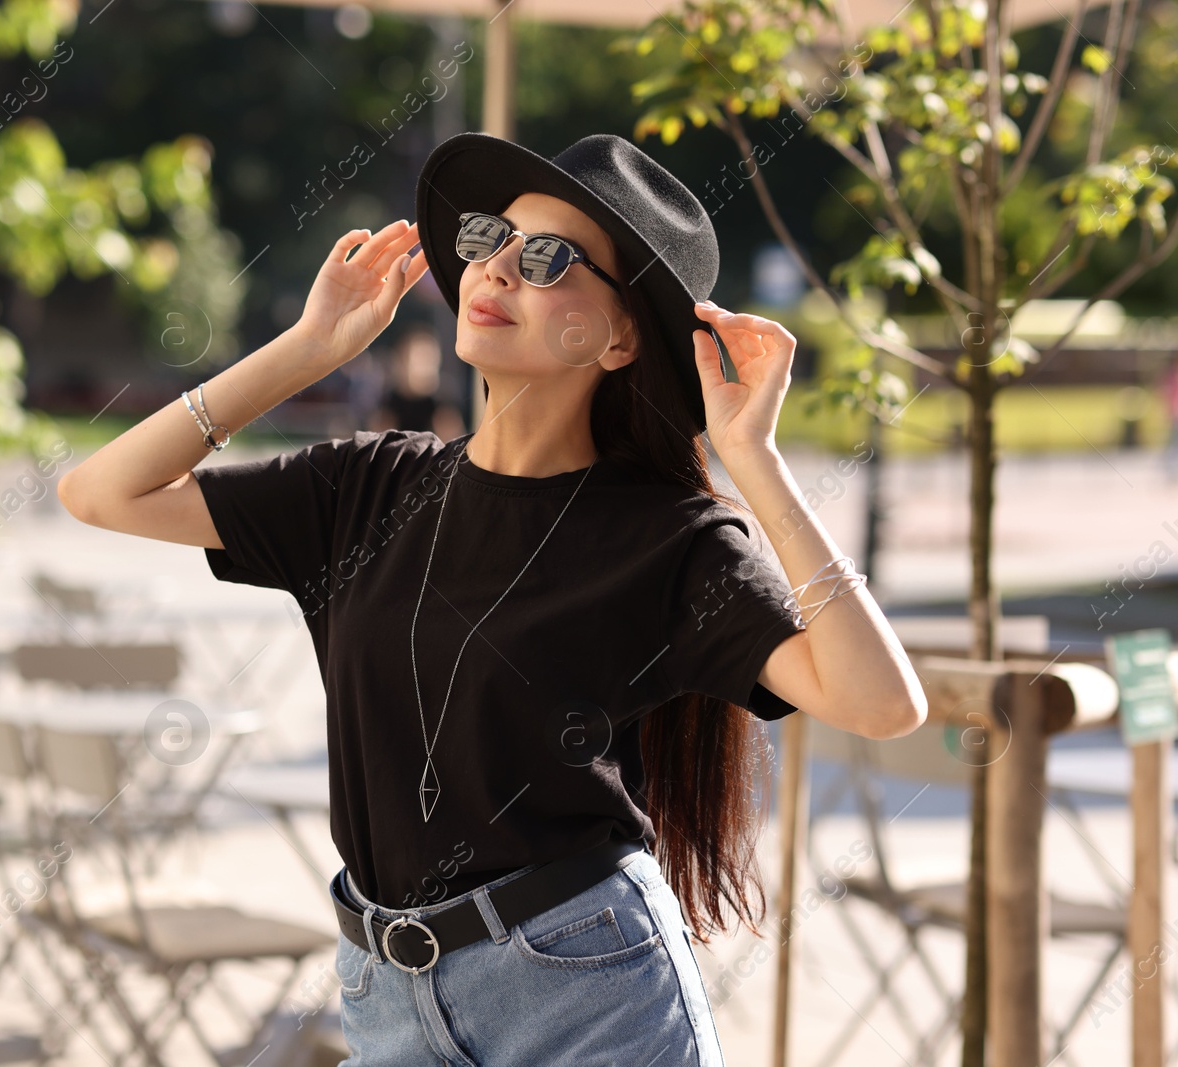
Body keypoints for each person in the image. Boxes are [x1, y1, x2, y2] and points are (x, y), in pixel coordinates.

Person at [57, 132, 928, 1067]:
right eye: (488, 240)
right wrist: (305, 353)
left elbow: (882, 703)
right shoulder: (365, 490)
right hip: (383, 989)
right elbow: (101, 492)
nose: (497, 269)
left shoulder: (666, 538)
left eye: (548, 258)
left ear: (619, 334)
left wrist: (752, 460)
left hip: (585, 993)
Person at [368, 323, 467, 440]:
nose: (423, 368)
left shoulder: (442, 404)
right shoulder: (389, 403)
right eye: (417, 360)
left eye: (428, 360)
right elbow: (379, 448)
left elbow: (454, 448)